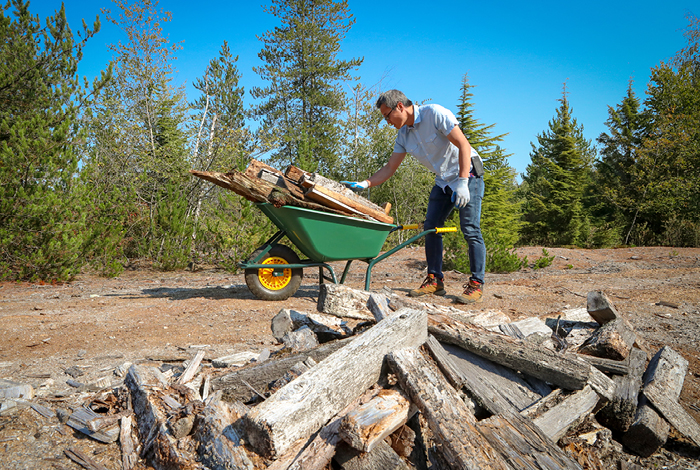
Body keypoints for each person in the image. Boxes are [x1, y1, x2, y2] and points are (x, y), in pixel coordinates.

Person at [342, 89, 486, 303]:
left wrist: (464, 182)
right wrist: (365, 183)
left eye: (387, 115)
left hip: (468, 174)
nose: (387, 121)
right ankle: (435, 280)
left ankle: (476, 284)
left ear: (399, 106)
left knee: (470, 229)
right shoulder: (403, 135)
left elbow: (464, 145)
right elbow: (390, 167)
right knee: (431, 227)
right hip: (443, 180)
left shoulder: (435, 113)